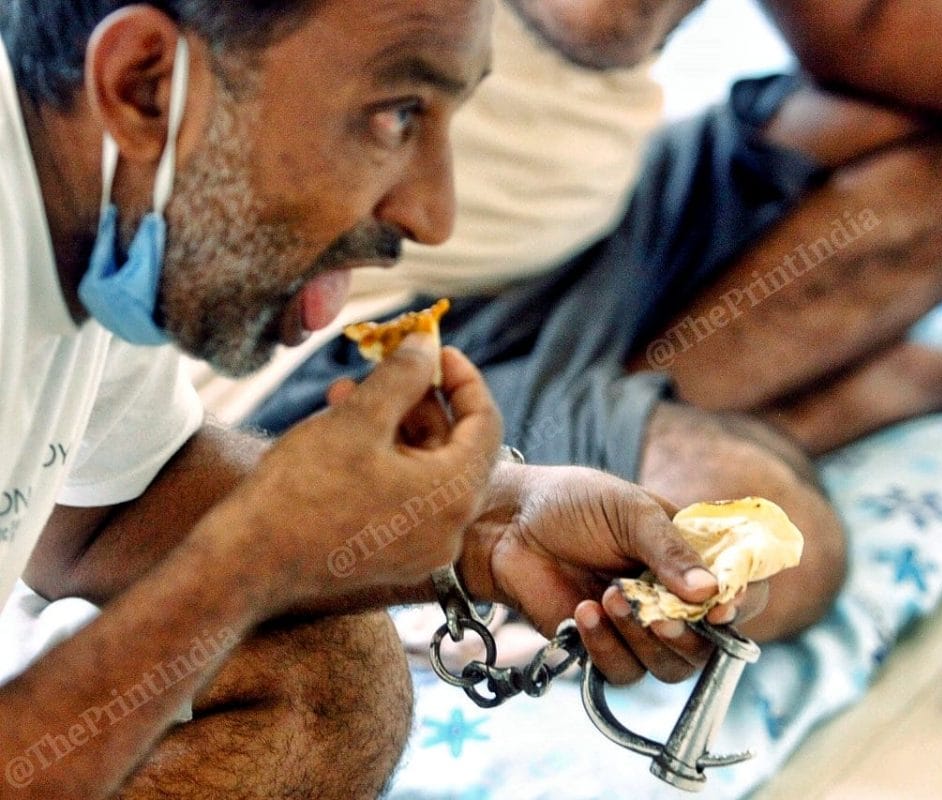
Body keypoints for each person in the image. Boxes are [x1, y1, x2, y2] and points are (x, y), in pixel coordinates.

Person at [240, 0, 942, 642]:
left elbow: (872, 26)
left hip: (591, 237)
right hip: (376, 330)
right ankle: (784, 424)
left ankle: (631, 410)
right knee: (769, 542)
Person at [0, 1, 766, 797]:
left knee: (325, 677)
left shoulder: (94, 217)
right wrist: (253, 561)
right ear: (144, 86)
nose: (433, 217)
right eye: (396, 116)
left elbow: (100, 521)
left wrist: (487, 523)